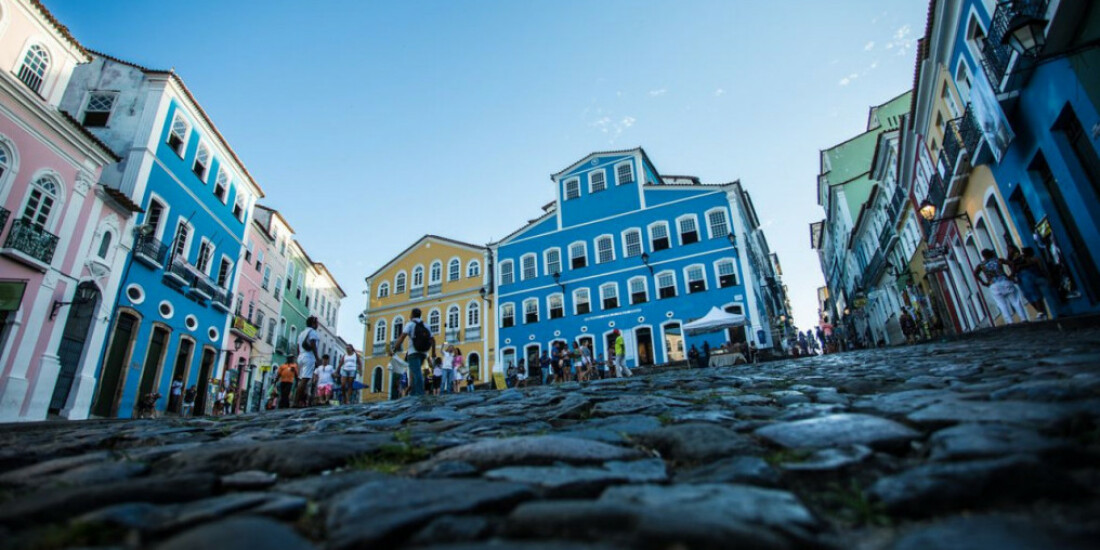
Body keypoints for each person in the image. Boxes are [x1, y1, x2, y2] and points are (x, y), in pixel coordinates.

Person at [974, 248, 1029, 324]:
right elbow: (1012, 264)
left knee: (1001, 304)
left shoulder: (981, 265)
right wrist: (1012, 274)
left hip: (993, 285)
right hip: (1005, 281)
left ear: (983, 256)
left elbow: (975, 273)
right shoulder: (998, 260)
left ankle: (1010, 321)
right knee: (1015, 301)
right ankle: (1023, 318)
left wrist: (983, 282)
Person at [390, 307, 435, 397]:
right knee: (414, 373)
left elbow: (402, 337)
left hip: (413, 352)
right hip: (423, 353)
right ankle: (413, 394)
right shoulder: (426, 325)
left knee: (417, 373)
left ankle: (420, 394)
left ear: (412, 315)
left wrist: (394, 349)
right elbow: (433, 340)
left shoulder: (410, 324)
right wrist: (433, 352)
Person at [1009, 245, 1051, 320]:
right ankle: (1041, 312)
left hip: (1027, 276)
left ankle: (1041, 312)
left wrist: (1021, 266)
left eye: (1010, 249)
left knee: (1034, 294)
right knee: (1028, 296)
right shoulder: (1013, 260)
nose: (1009, 251)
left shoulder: (1022, 257)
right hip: (1021, 278)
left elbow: (1031, 262)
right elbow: (1013, 268)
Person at [295, 316, 322, 407]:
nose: (318, 325)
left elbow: (298, 347)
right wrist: (317, 358)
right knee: (304, 380)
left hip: (301, 356)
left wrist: (298, 356)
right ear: (313, 323)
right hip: (308, 357)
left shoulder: (302, 333)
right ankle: (296, 401)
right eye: (317, 323)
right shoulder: (313, 332)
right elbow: (313, 344)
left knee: (302, 380)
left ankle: (301, 401)